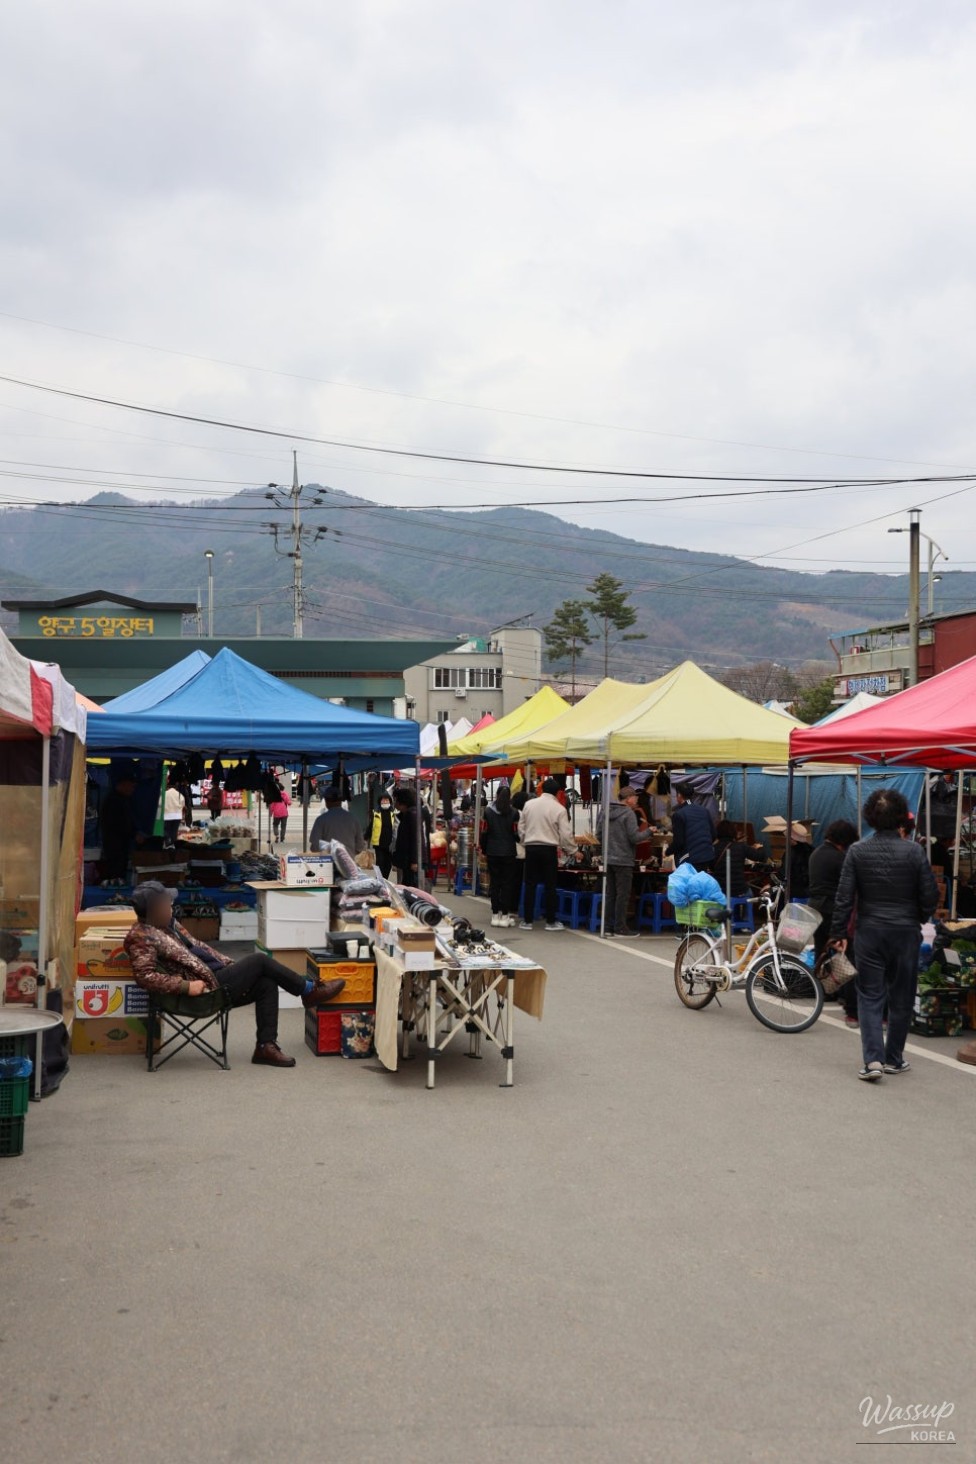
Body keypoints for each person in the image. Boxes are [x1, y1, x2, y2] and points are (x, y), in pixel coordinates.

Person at [124, 881, 346, 1067]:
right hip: (204, 990)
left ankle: (265, 1047)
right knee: (259, 960)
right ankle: (308, 990)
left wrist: (228, 965)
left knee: (266, 982)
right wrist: (186, 986)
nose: (171, 906)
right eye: (166, 903)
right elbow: (145, 976)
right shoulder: (141, 937)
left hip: (217, 975)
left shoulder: (168, 925)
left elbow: (200, 950)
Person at [830, 789, 939, 1082]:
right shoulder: (914, 851)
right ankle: (894, 1058)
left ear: (870, 817)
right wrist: (918, 917)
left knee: (870, 995)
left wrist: (838, 932)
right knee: (902, 996)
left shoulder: (856, 851)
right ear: (901, 817)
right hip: (905, 932)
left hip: (869, 932)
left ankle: (873, 1060)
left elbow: (844, 897)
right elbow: (930, 895)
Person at [807, 820, 859, 1027]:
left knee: (822, 950)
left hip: (815, 907)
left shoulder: (816, 853)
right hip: (832, 908)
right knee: (843, 953)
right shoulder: (840, 858)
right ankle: (844, 993)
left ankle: (824, 989)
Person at [518, 777, 578, 932]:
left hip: (531, 848)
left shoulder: (529, 805)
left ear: (542, 789)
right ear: (558, 793)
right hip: (549, 849)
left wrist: (525, 841)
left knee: (530, 884)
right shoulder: (559, 809)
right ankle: (550, 922)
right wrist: (574, 851)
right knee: (550, 885)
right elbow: (565, 834)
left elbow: (521, 827)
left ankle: (527, 921)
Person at [605, 787, 643, 938]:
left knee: (610, 894)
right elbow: (634, 838)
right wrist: (649, 832)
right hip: (624, 859)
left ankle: (607, 926)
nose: (637, 800)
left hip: (608, 858)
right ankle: (620, 927)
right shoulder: (629, 813)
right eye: (635, 797)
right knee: (623, 895)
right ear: (628, 799)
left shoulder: (606, 811)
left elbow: (599, 834)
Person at [482, 785, 521, 928]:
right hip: (509, 852)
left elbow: (484, 833)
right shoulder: (514, 813)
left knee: (495, 883)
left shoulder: (487, 812)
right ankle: (505, 915)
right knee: (507, 884)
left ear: (496, 795)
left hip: (492, 851)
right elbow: (516, 834)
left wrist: (484, 849)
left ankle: (494, 915)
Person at [667, 784, 716, 869]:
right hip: (707, 856)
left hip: (690, 859)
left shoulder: (679, 814)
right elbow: (714, 835)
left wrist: (667, 852)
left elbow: (679, 842)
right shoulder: (704, 811)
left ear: (679, 795)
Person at [309, 786, 365, 860]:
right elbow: (360, 846)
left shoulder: (321, 820)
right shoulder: (353, 819)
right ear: (341, 801)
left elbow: (314, 847)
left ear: (326, 801)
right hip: (348, 862)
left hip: (328, 863)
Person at [711, 820, 764, 896]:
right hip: (740, 890)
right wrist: (760, 847)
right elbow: (759, 856)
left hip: (721, 891)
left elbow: (711, 867)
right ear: (733, 832)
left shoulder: (713, 849)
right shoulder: (741, 846)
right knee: (751, 894)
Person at [100, 775, 137, 880]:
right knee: (115, 870)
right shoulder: (114, 801)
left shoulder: (122, 800)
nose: (132, 790)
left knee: (119, 868)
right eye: (131, 786)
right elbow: (119, 823)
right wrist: (133, 834)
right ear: (123, 785)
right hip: (115, 842)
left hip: (120, 842)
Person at [392, 786, 429, 886]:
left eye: (396, 800)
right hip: (407, 860)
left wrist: (414, 861)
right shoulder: (406, 814)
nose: (394, 803)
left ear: (402, 801)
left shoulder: (412, 814)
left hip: (412, 862)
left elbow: (416, 838)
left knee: (411, 886)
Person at [368, 792, 396, 878]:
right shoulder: (375, 813)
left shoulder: (394, 813)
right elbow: (371, 826)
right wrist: (365, 837)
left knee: (388, 864)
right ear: (379, 801)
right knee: (380, 863)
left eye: (387, 800)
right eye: (383, 800)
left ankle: (385, 879)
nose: (385, 802)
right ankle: (379, 879)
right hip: (379, 843)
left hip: (390, 843)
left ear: (390, 801)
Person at [162, 776, 184, 849]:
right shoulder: (179, 794)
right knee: (174, 831)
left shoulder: (164, 794)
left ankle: (168, 844)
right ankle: (174, 844)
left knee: (166, 830)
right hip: (177, 815)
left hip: (167, 815)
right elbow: (183, 805)